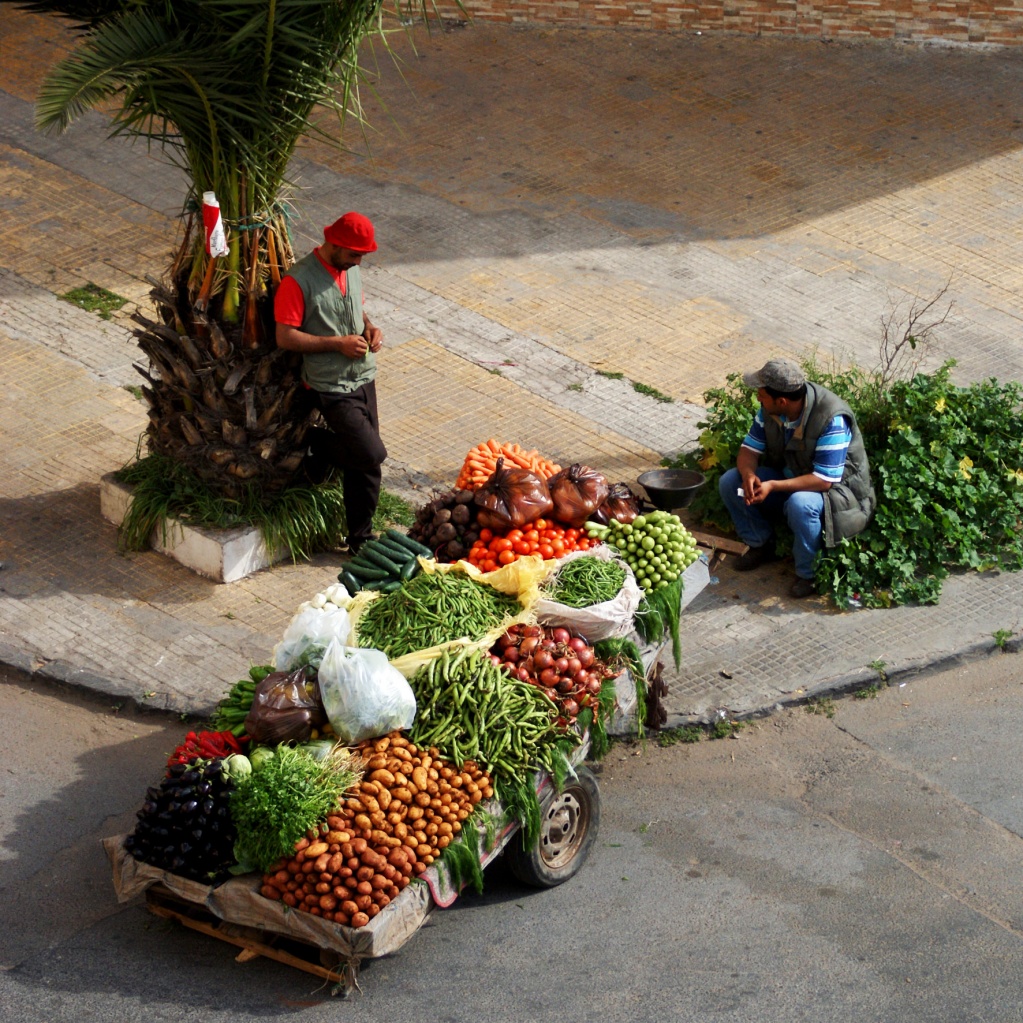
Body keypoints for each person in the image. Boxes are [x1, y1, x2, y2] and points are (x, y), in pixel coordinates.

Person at [274, 211, 386, 553]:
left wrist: (369, 327)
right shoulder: (298, 281)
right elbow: (285, 337)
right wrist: (338, 344)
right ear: (334, 245)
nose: (359, 262)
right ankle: (314, 442)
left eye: (363, 256)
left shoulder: (349, 271)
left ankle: (359, 539)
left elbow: (355, 310)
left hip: (363, 377)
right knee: (371, 453)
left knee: (363, 464)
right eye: (355, 255)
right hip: (330, 386)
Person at [718, 357, 876, 598]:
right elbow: (749, 449)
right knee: (731, 481)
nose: (758, 397)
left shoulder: (832, 418)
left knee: (800, 503)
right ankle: (761, 544)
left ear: (781, 400)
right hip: (790, 479)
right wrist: (749, 474)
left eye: (761, 393)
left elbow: (824, 480)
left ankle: (808, 573)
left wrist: (772, 486)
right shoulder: (771, 409)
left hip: (837, 495)